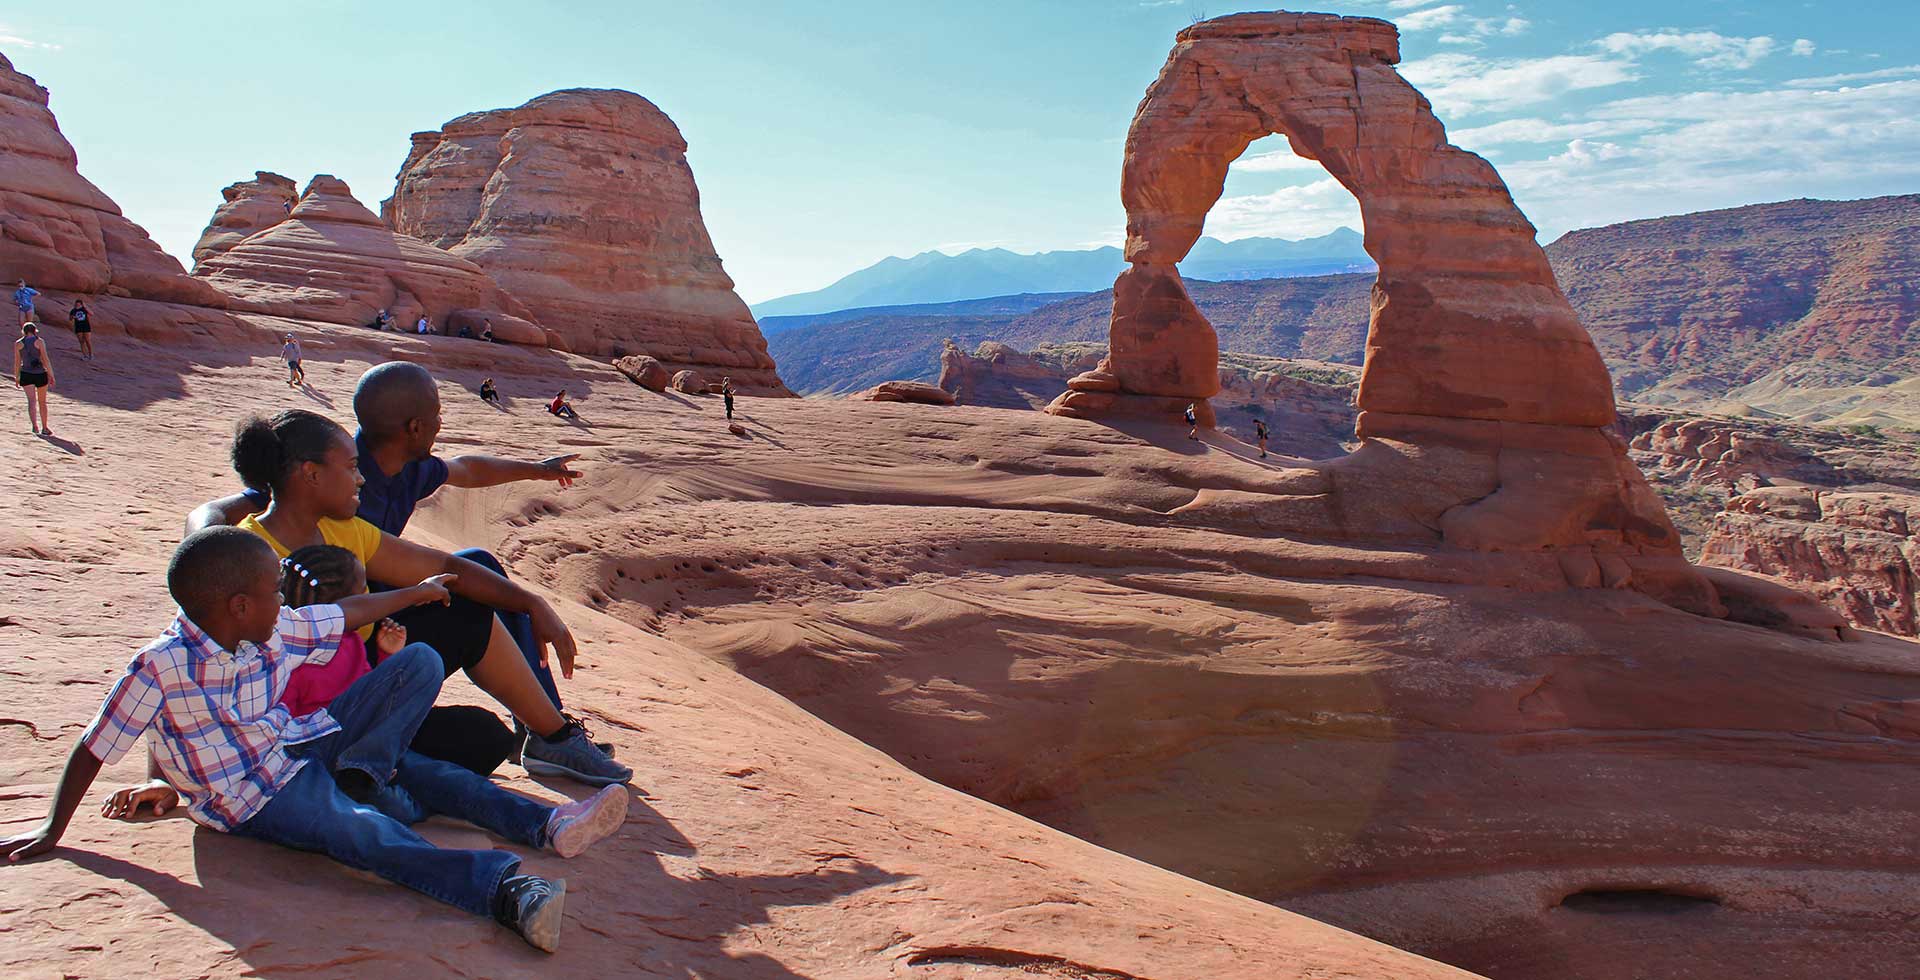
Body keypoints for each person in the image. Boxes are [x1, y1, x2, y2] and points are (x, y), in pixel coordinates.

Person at [2, 527, 630, 953]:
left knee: (420, 688)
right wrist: (55, 830)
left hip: (303, 742)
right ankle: (504, 891)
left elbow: (346, 614)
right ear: (240, 605)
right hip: (251, 796)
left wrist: (416, 593)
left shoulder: (271, 629)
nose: (286, 600)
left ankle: (547, 827)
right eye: (274, 592)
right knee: (359, 830)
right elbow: (94, 746)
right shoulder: (159, 666)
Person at [197, 408, 627, 785]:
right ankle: (374, 767)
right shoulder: (253, 552)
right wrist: (204, 544)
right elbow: (191, 660)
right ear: (310, 475)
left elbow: (449, 566)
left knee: (482, 714)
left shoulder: (345, 525)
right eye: (350, 468)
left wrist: (535, 603)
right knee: (474, 732)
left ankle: (551, 735)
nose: (360, 476)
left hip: (369, 668)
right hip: (311, 717)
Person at [14, 322, 54, 436]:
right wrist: (51, 374)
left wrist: (17, 376)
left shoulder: (18, 343)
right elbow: (45, 359)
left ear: (24, 331)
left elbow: (17, 362)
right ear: (35, 330)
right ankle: (45, 428)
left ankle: (34, 427)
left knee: (31, 401)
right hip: (40, 373)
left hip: (26, 374)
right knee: (42, 402)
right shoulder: (39, 341)